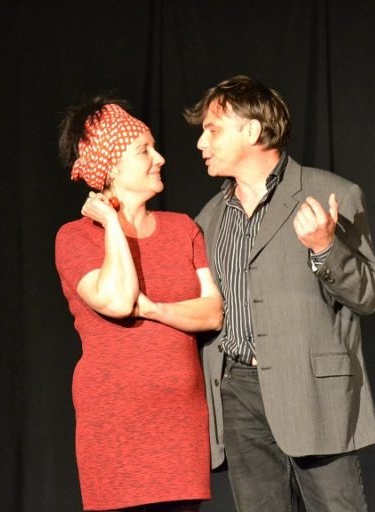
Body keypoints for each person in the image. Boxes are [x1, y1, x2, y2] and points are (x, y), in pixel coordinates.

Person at [183, 75, 375, 511]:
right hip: (238, 392)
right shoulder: (208, 219)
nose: (201, 143)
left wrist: (325, 248)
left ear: (252, 131)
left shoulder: (332, 193)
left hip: (312, 391)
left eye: (212, 130)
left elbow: (368, 294)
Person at [55, 97, 223, 512]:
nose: (159, 158)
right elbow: (117, 300)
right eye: (143, 150)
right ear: (111, 167)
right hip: (116, 423)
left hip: (179, 422)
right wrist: (113, 224)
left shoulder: (183, 229)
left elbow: (212, 313)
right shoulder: (76, 237)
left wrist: (152, 309)